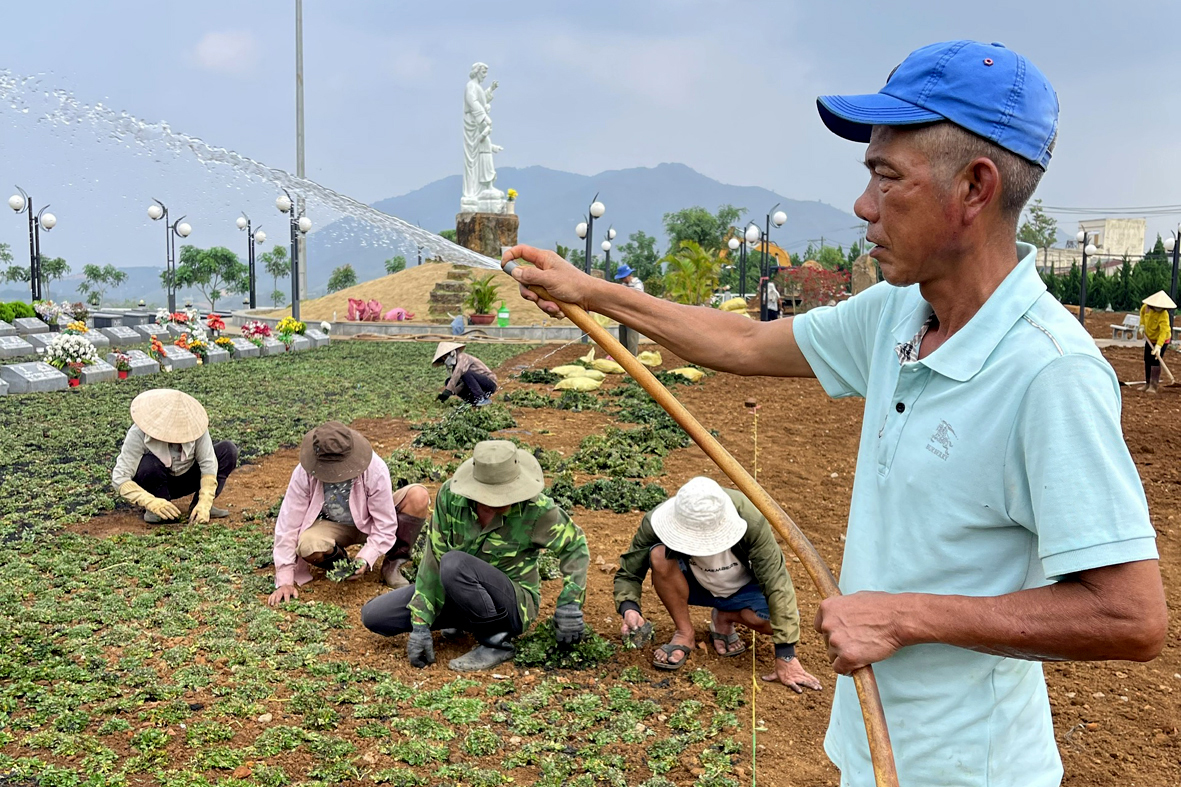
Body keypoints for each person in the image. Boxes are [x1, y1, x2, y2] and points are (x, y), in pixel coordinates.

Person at [506, 40, 1166, 787]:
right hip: (871, 740)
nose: (862, 206)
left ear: (975, 188)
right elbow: (745, 339)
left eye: (886, 178)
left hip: (966, 768)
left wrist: (904, 617)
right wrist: (593, 294)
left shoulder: (1049, 372)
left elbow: (1129, 616)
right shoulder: (896, 314)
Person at [361, 440, 589, 672]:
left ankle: (496, 641)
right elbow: (433, 560)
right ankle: (463, 620)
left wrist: (570, 603)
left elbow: (575, 546)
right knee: (376, 615)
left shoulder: (537, 510)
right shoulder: (450, 498)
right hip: (456, 591)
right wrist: (420, 624)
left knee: (454, 563)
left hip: (512, 605)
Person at [614, 477, 822, 691]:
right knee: (659, 556)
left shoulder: (750, 518)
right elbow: (630, 572)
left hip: (743, 588)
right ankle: (685, 633)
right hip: (691, 583)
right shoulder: (656, 520)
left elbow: (776, 581)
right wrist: (629, 608)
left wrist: (786, 654)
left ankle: (726, 615)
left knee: (782, 620)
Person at [268, 422, 430, 603]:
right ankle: (341, 563)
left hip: (369, 520)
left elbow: (385, 523)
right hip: (332, 525)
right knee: (308, 545)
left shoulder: (374, 468)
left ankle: (393, 564)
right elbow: (288, 523)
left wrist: (366, 557)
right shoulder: (304, 473)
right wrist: (284, 579)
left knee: (418, 496)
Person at [112, 388, 238, 524]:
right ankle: (158, 510)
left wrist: (205, 502)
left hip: (187, 476)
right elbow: (120, 478)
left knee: (228, 450)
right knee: (148, 465)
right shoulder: (138, 433)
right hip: (157, 482)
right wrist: (150, 501)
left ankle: (197, 508)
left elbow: (208, 465)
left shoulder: (196, 428)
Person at [434, 341, 497, 407]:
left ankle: (480, 398)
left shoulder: (463, 358)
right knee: (448, 381)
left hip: (489, 383)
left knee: (464, 374)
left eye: (445, 357)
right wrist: (451, 392)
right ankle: (472, 401)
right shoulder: (455, 367)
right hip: (477, 385)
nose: (445, 360)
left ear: (452, 353)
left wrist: (448, 390)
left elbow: (459, 371)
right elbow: (462, 384)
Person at [1139, 290, 1174, 393]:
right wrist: (1141, 325)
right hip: (1150, 338)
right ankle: (1147, 383)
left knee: (1155, 360)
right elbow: (1141, 315)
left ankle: (1153, 386)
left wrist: (1158, 346)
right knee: (1147, 359)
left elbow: (1164, 331)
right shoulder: (1146, 308)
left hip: (1162, 340)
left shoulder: (1164, 315)